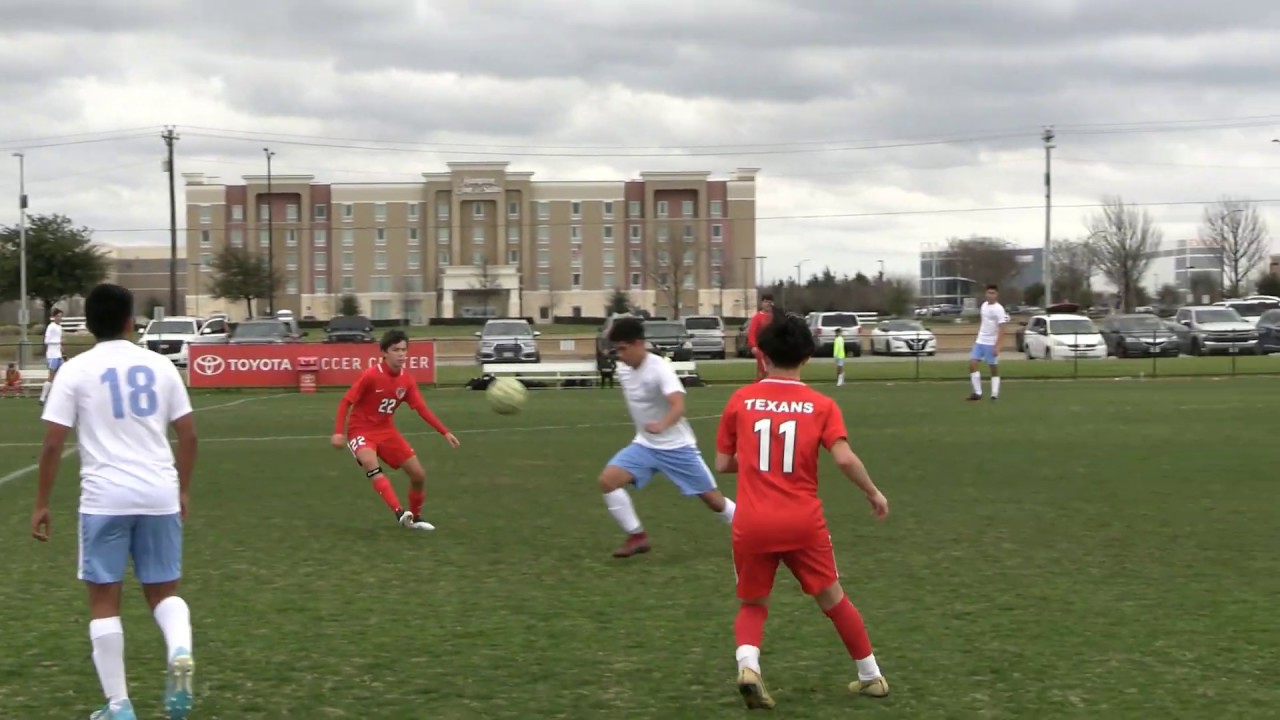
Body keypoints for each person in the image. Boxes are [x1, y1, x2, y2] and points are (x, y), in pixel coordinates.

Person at [32, 283, 199, 720]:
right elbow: (189, 435)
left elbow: (53, 444)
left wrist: (41, 504)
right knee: (163, 594)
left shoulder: (75, 370)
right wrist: (181, 490)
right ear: (130, 321)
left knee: (104, 602)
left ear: (87, 325)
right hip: (159, 494)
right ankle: (179, 647)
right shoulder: (161, 366)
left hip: (104, 498)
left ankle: (119, 706)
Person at [714, 314, 891, 711]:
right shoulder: (821, 405)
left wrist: (761, 462)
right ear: (808, 356)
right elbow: (844, 459)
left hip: (753, 521)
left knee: (754, 603)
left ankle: (748, 666)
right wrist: (873, 492)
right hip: (802, 522)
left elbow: (724, 463)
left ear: (761, 354)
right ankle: (870, 676)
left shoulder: (740, 401)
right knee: (833, 599)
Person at [597, 317, 736, 558]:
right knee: (608, 481)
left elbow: (678, 406)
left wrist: (662, 424)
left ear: (640, 343)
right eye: (616, 349)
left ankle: (756, 531)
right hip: (645, 445)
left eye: (623, 348)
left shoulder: (660, 368)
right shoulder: (623, 369)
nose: (620, 355)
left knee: (714, 501)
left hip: (677, 447)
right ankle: (637, 536)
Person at [330, 330, 460, 530]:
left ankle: (415, 518)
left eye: (404, 350)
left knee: (418, 475)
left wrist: (444, 431)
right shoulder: (371, 376)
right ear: (384, 352)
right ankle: (400, 513)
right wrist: (339, 432)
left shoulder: (406, 381)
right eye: (395, 350)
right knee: (370, 464)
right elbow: (345, 402)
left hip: (386, 431)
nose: (401, 354)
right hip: (361, 431)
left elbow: (421, 409)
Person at [967, 284, 1009, 402]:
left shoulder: (999, 309)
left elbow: (1003, 328)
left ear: (997, 295)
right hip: (980, 340)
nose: (990, 295)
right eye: (988, 293)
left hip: (991, 343)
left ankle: (994, 394)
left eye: (993, 293)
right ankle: (977, 393)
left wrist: (998, 346)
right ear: (985, 294)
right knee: (972, 364)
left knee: (993, 369)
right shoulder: (983, 306)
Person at [746, 294, 776, 382]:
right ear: (762, 303)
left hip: (774, 348)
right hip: (761, 349)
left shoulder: (775, 317)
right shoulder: (757, 317)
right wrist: (753, 346)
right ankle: (758, 388)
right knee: (764, 371)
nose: (768, 304)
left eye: (770, 302)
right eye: (766, 302)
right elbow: (752, 332)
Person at [40, 307, 64, 405]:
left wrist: (62, 349)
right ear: (54, 317)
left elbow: (60, 340)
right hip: (52, 355)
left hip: (58, 355)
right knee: (51, 376)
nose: (59, 318)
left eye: (61, 316)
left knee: (61, 375)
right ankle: (42, 398)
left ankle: (55, 396)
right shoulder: (51, 327)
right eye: (58, 316)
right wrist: (58, 342)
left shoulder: (59, 327)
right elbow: (46, 341)